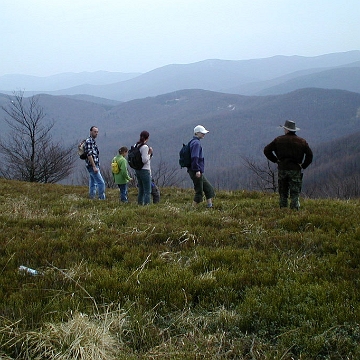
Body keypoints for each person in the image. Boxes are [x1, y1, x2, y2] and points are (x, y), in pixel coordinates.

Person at [263, 120, 313, 210]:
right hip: (295, 170)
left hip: (282, 168)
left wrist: (276, 160)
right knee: (295, 193)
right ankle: (294, 212)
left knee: (283, 192)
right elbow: (310, 155)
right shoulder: (302, 141)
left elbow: (266, 150)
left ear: (286, 129)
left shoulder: (278, 140)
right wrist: (303, 165)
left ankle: (283, 210)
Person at [187, 125, 215, 208]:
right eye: (202, 133)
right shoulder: (196, 143)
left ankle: (210, 206)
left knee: (208, 188)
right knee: (199, 192)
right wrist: (197, 170)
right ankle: (192, 209)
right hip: (196, 171)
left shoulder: (193, 142)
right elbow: (195, 157)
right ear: (197, 133)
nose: (204, 134)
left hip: (196, 170)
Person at [84, 126, 106, 200]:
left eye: (97, 132)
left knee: (93, 183)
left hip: (94, 165)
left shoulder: (92, 141)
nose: (96, 133)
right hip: (92, 165)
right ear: (90, 132)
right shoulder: (89, 141)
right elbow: (89, 155)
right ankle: (101, 198)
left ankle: (92, 197)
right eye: (94, 131)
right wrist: (94, 166)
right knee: (101, 183)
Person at [134, 131, 153, 205]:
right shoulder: (145, 147)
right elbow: (144, 160)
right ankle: (147, 205)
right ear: (147, 138)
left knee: (141, 189)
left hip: (137, 169)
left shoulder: (136, 145)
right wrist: (150, 153)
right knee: (147, 190)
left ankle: (140, 203)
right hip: (144, 170)